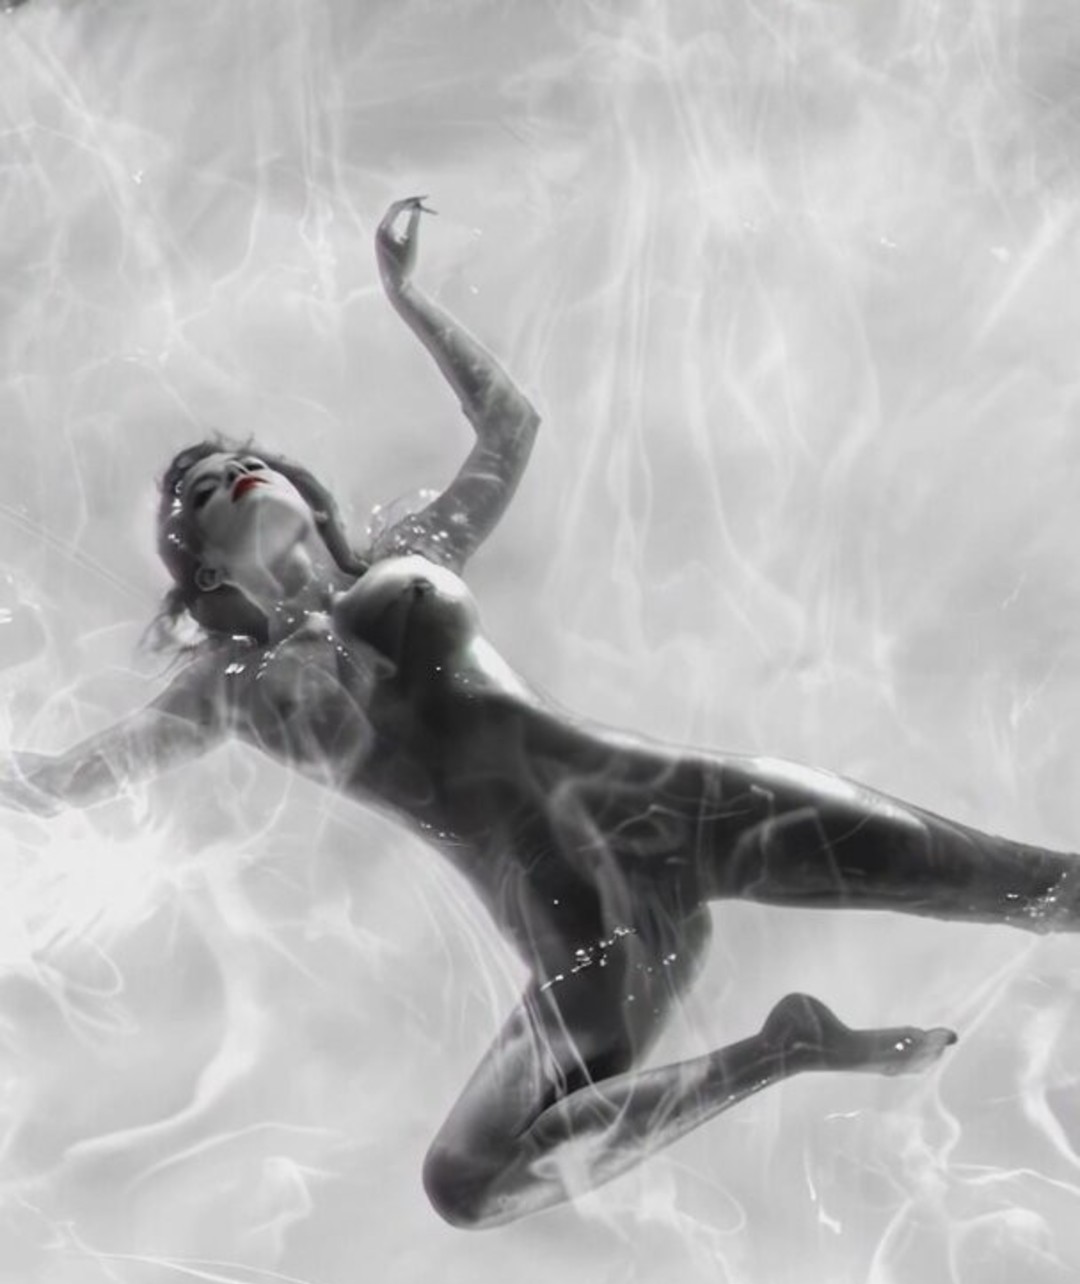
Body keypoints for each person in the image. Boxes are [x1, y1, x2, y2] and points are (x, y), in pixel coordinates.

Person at [2, 198, 1077, 1229]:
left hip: (681, 804)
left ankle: (808, 1033)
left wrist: (410, 300)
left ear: (299, 488)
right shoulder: (231, 690)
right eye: (201, 492)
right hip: (588, 937)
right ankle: (783, 1049)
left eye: (245, 463)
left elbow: (509, 427)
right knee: (467, 1183)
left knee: (1042, 888)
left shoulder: (410, 554)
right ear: (201, 570)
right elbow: (56, 781)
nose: (233, 475)